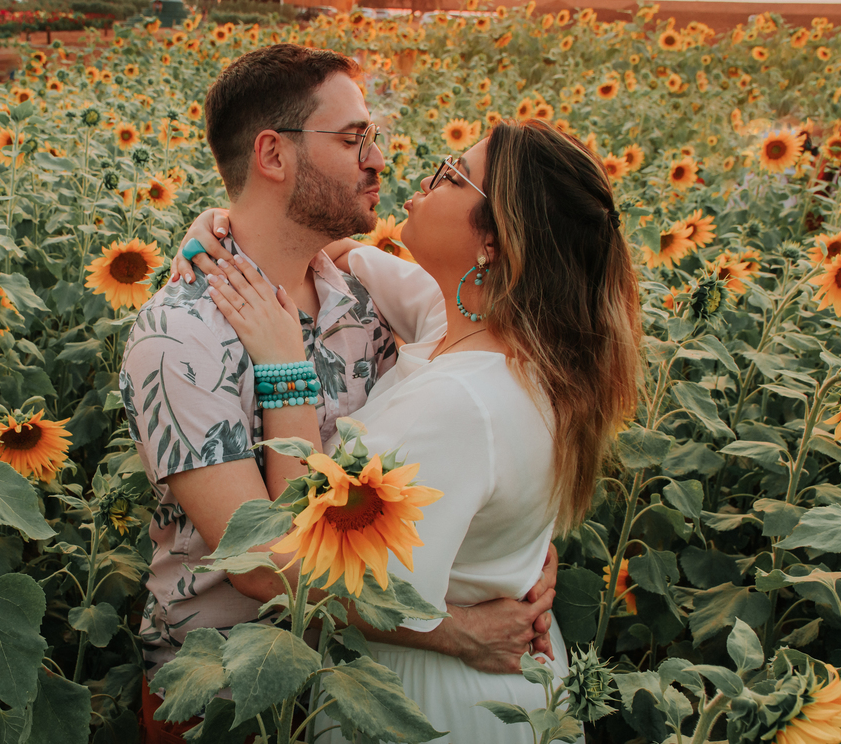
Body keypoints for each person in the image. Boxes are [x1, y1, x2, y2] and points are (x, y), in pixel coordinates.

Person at [118, 44, 558, 744]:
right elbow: (262, 564)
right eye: (353, 139)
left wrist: (517, 550)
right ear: (273, 155)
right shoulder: (181, 335)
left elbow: (446, 465)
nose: (378, 159)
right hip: (225, 694)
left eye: (372, 137)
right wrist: (454, 634)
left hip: (350, 687)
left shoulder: (361, 302)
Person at [181, 118, 643, 743]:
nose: (423, 183)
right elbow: (347, 254)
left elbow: (298, 558)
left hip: (429, 702)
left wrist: (285, 367)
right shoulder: (506, 340)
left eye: (453, 176)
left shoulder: (458, 402)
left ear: (496, 242)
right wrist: (227, 225)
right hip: (510, 686)